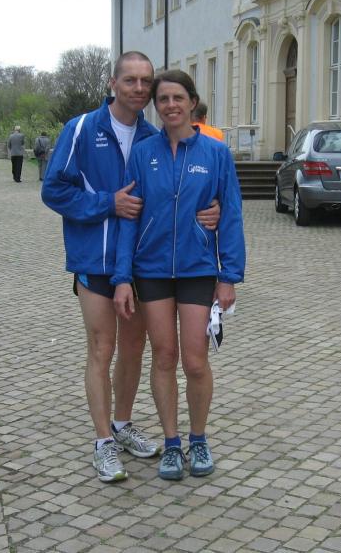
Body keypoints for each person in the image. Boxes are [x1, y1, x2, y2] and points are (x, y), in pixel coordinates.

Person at [41, 52, 221, 483]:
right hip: (94, 259)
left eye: (145, 82)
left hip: (139, 263)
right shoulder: (82, 128)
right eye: (130, 80)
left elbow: (165, 199)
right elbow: (53, 190)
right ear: (113, 83)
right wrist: (108, 203)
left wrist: (206, 212)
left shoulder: (150, 136)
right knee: (101, 348)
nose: (139, 88)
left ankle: (122, 425)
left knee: (136, 347)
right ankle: (103, 442)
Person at [112, 70, 245, 481]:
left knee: (196, 361)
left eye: (177, 98)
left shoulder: (215, 153)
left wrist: (229, 275)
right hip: (151, 270)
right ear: (157, 106)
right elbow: (130, 218)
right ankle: (172, 443)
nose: (170, 105)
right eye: (163, 99)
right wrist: (121, 277)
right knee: (164, 356)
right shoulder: (143, 153)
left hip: (197, 269)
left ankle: (198, 438)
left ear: (192, 102)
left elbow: (231, 214)